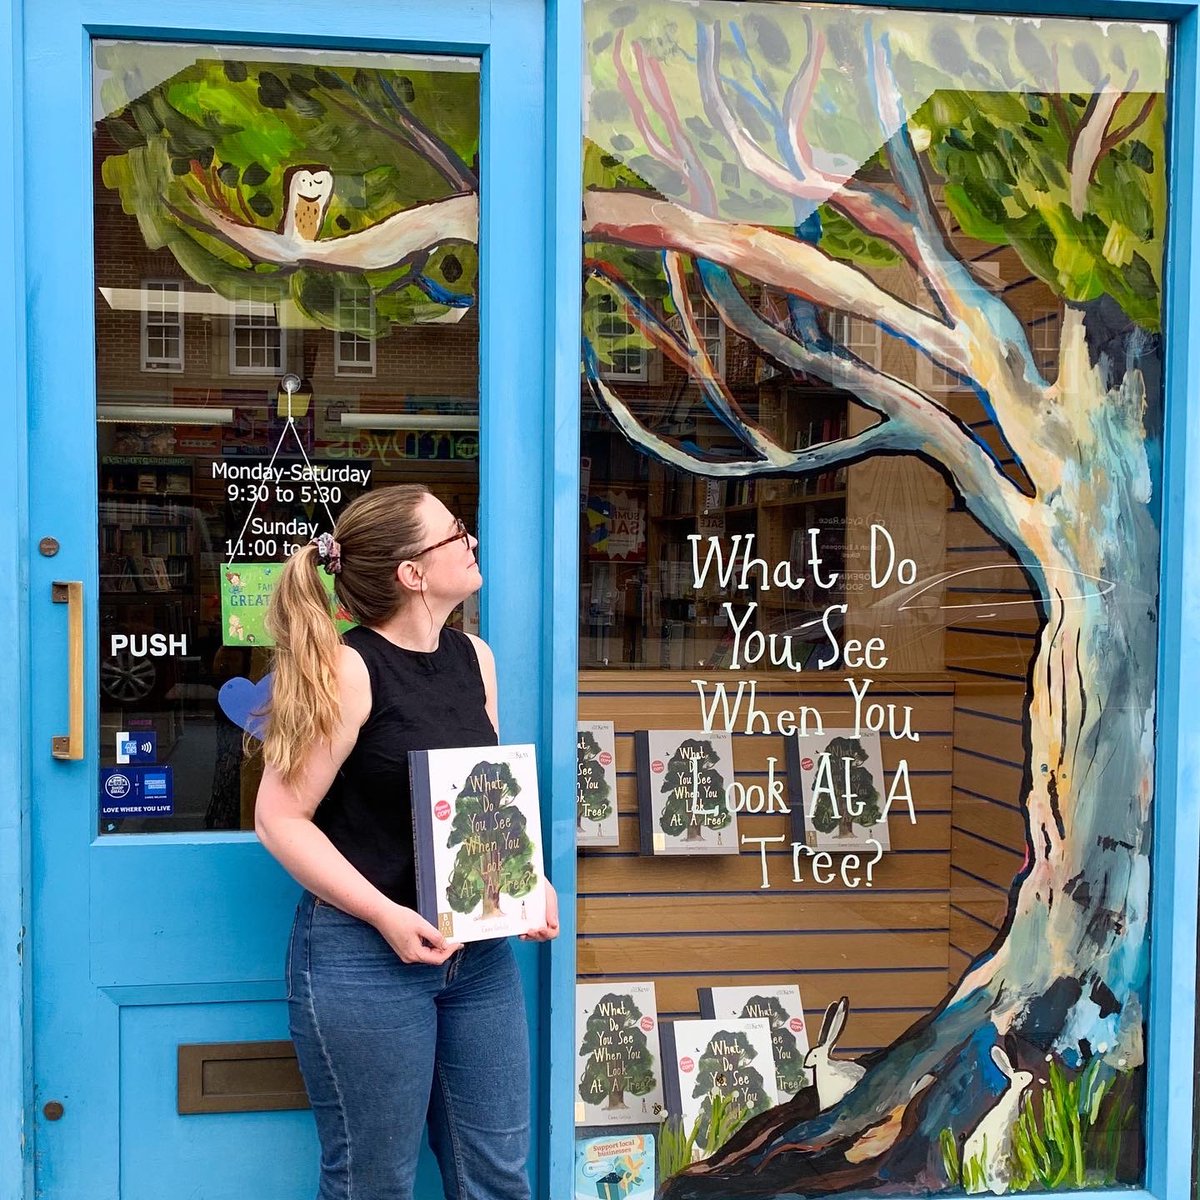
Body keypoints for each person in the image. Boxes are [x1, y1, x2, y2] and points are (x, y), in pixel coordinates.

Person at [254, 484, 559, 1200]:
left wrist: (528, 879)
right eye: (456, 533)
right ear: (413, 574)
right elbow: (279, 817)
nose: (472, 541)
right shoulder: (349, 668)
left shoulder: (473, 657)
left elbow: (485, 799)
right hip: (364, 959)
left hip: (478, 960)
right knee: (375, 1184)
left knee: (498, 1178)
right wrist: (386, 915)